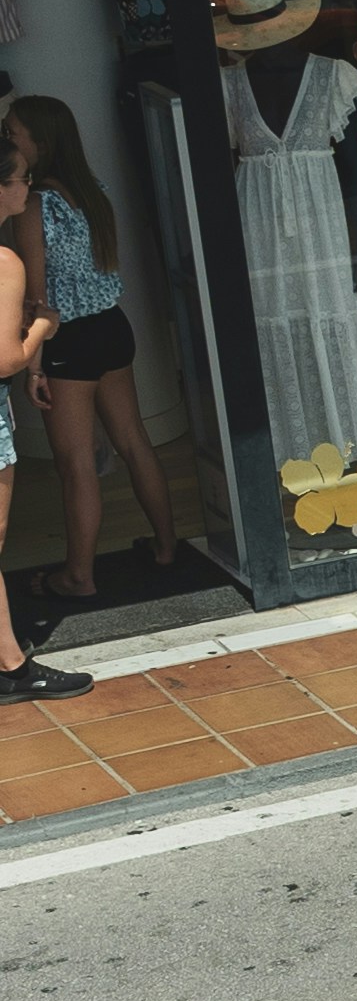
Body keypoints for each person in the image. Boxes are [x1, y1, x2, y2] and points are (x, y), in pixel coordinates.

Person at [0, 93, 178, 616]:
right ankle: (167, 545)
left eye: (13, 132)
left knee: (75, 463)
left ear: (39, 140)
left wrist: (34, 365)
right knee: (134, 440)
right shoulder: (90, 189)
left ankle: (78, 576)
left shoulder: (34, 204)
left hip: (68, 339)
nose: (6, 138)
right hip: (112, 326)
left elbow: (37, 295)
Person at [0, 197, 85, 701]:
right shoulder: (5, 262)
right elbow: (5, 359)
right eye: (20, 178)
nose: (28, 187)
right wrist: (42, 328)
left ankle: (10, 661)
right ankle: (12, 667)